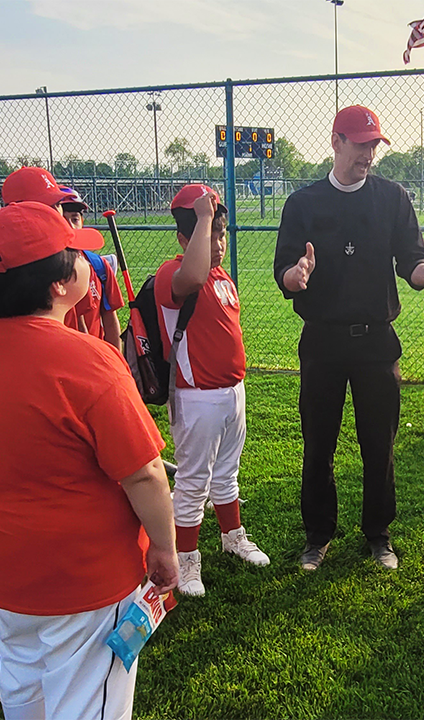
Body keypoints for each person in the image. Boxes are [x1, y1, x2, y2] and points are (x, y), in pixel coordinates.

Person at [0, 201, 178, 720]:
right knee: (90, 699)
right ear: (57, 284)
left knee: (25, 681)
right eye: (75, 256)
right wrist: (164, 547)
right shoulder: (87, 358)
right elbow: (143, 472)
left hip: (0, 564)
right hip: (82, 573)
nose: (86, 265)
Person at [273, 104, 424, 571]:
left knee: (379, 443)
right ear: (336, 142)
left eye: (374, 145)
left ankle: (379, 534)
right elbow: (285, 271)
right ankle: (318, 536)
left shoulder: (392, 198)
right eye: (360, 144)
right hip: (322, 341)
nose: (368, 154)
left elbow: (410, 263)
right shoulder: (304, 203)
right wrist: (296, 276)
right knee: (319, 444)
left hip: (377, 343)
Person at [156, 184, 269, 597]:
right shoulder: (174, 273)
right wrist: (202, 219)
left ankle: (232, 535)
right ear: (185, 238)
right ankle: (187, 561)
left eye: (222, 234)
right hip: (195, 395)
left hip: (231, 391)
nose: (219, 244)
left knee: (226, 473)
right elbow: (192, 275)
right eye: (210, 234)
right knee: (192, 481)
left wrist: (210, 222)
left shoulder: (222, 277)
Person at [0, 167, 125, 352]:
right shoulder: (25, 272)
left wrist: (116, 359)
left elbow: (109, 319)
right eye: (60, 216)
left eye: (75, 219)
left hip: (91, 358)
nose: (68, 226)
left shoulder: (98, 267)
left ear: (83, 221)